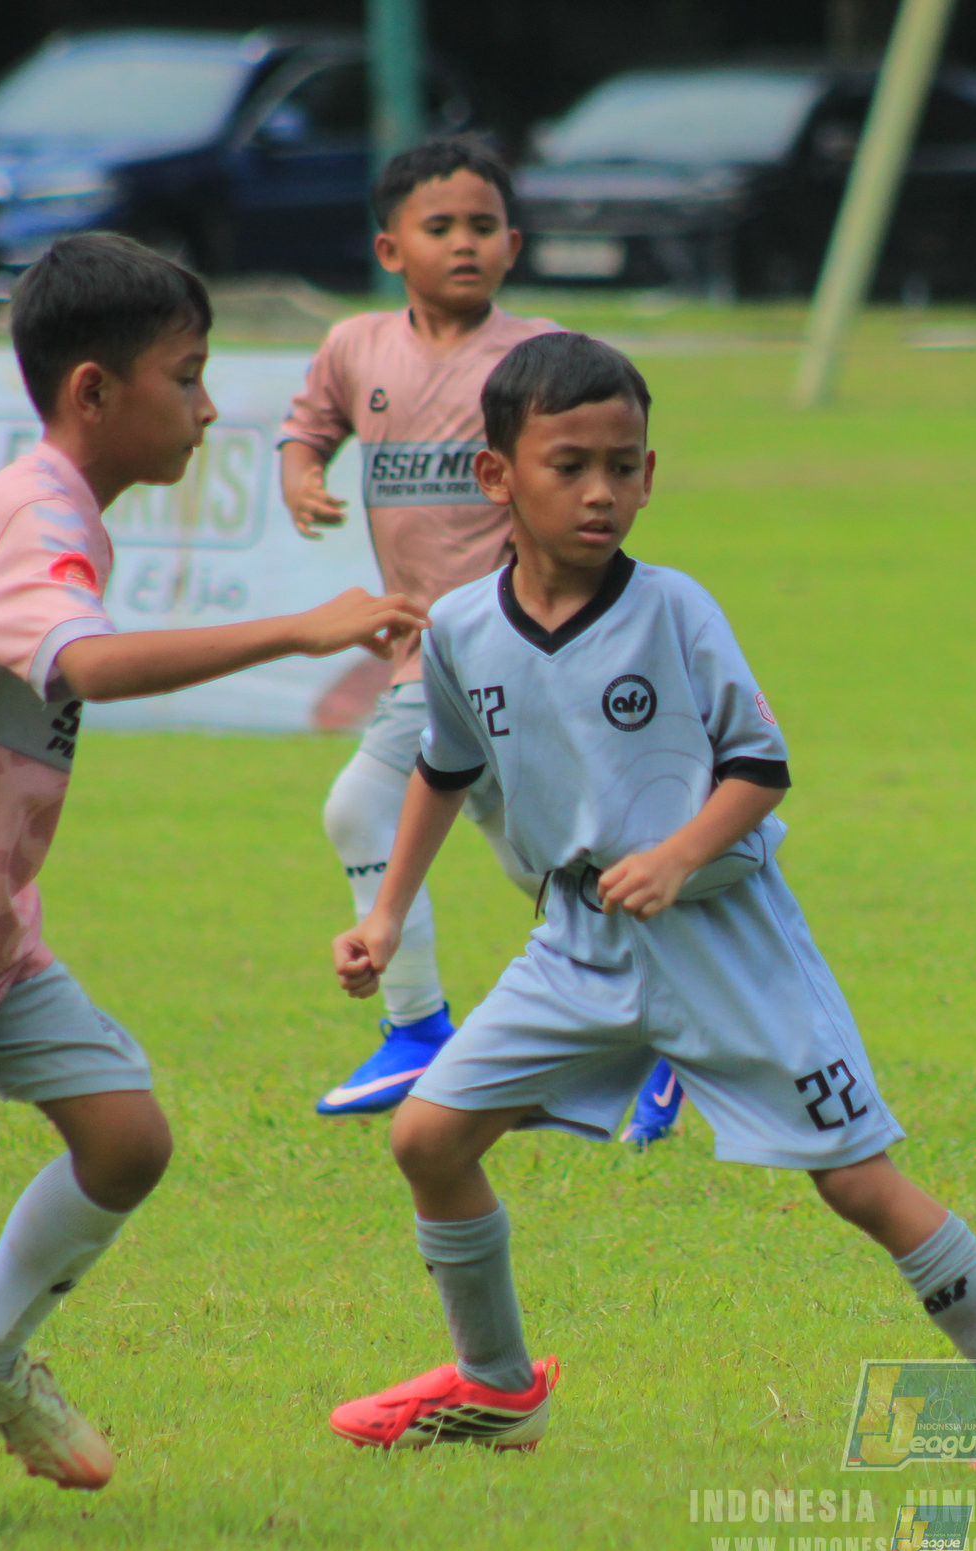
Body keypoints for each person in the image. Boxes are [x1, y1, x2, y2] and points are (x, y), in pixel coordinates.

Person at [0, 233, 425, 1531]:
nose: (210, 410)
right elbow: (84, 668)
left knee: (124, 1138)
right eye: (189, 377)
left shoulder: (55, 510)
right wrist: (298, 623)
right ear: (95, 390)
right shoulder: (39, 517)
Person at [323, 332, 976, 1466]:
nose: (602, 491)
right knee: (430, 1136)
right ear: (497, 476)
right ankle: (497, 1385)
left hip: (724, 943)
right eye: (569, 464)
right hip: (577, 945)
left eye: (625, 465)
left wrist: (680, 855)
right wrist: (388, 912)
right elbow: (444, 765)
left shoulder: (674, 609)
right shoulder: (465, 630)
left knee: (856, 1179)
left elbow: (761, 766)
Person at [279, 137, 681, 1137]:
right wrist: (301, 470)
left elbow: (596, 468)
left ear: (514, 244)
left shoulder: (538, 358)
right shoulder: (355, 347)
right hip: (432, 655)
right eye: (439, 226)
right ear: (389, 247)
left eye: (484, 226)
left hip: (511, 646)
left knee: (367, 807)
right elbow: (310, 419)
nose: (464, 243)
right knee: (539, 861)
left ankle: (424, 1033)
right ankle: (656, 1039)